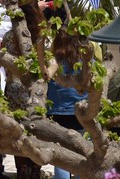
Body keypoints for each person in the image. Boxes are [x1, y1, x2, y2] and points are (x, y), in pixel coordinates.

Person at [47, 30, 90, 179]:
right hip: (82, 112)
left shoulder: (52, 62)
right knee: (81, 155)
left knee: (61, 158)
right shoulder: (86, 62)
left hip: (58, 112)